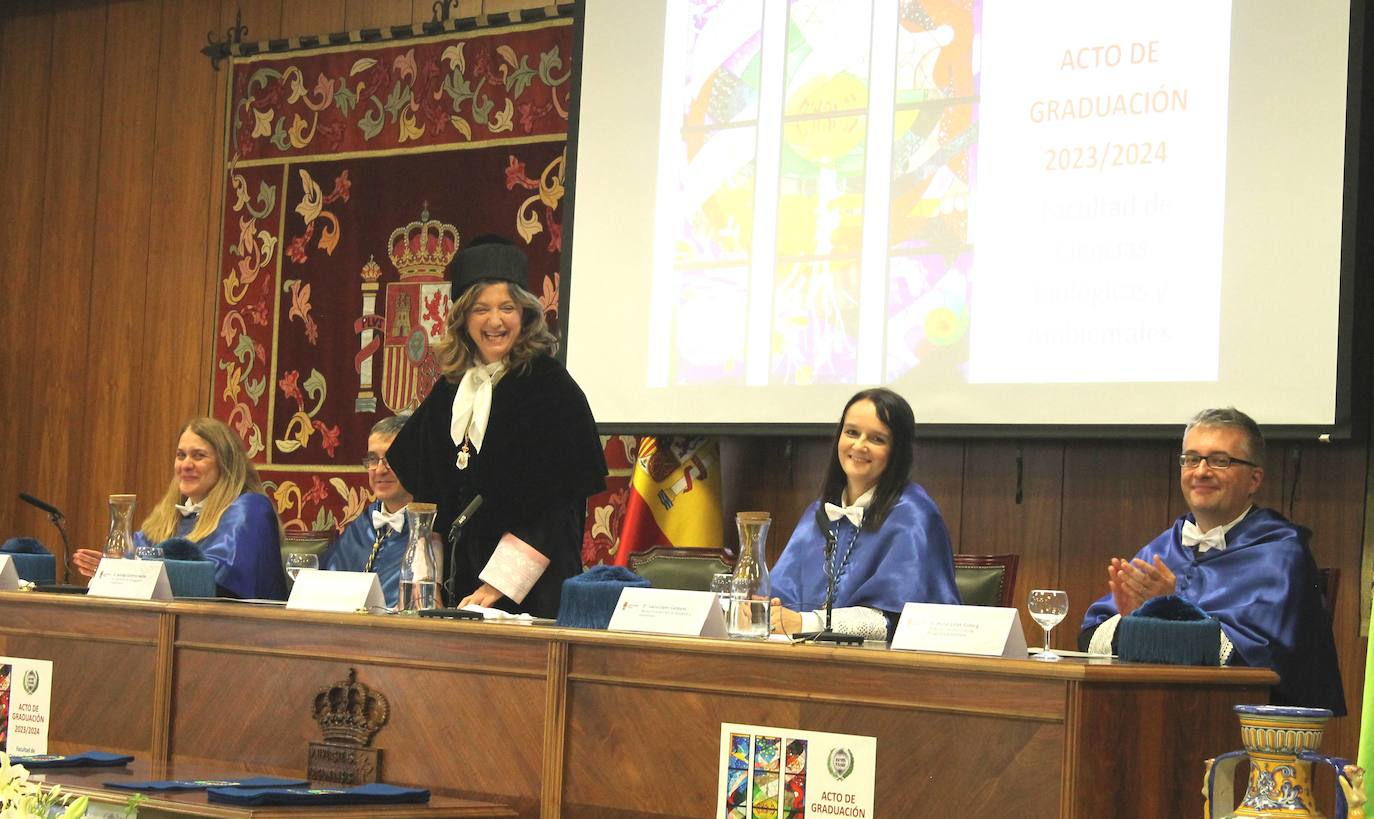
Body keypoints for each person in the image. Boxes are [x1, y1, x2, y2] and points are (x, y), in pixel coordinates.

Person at [386, 236, 607, 619]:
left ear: (524, 315)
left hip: (531, 593)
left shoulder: (551, 387)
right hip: (458, 592)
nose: (495, 321)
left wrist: (496, 586)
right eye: (481, 309)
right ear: (462, 318)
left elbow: (559, 508)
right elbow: (429, 497)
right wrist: (430, 580)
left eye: (507, 307)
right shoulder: (449, 392)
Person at [1079, 407, 1344, 713]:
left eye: (1220, 461)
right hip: (1146, 714)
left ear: (1254, 479)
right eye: (1191, 459)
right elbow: (1089, 637)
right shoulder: (1165, 547)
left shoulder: (1282, 554)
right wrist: (1134, 619)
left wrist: (1168, 611)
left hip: (1246, 730)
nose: (1201, 471)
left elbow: (1260, 660)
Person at [769, 388, 960, 641]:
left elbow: (901, 621)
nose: (859, 446)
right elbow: (780, 596)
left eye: (877, 439)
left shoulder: (914, 516)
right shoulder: (818, 511)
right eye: (851, 433)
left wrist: (807, 622)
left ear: (897, 451)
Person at [72, 417, 287, 600]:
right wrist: (114, 569)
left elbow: (217, 579)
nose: (185, 465)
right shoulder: (167, 518)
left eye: (199, 455)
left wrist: (133, 570)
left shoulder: (250, 510)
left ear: (226, 463)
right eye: (181, 455)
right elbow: (135, 554)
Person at [321, 413, 414, 607]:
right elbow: (321, 594)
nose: (379, 470)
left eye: (390, 458)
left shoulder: (432, 530)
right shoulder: (359, 528)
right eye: (373, 459)